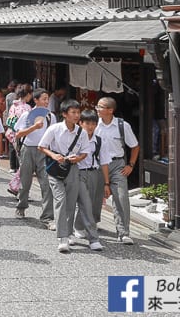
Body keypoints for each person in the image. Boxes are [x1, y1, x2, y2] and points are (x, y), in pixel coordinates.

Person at [38, 99, 93, 253]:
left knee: (70, 203)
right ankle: (63, 237)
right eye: (73, 112)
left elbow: (85, 151)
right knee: (60, 200)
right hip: (55, 168)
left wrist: (79, 158)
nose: (77, 115)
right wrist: (54, 155)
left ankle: (68, 234)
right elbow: (41, 146)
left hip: (73, 168)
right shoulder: (54, 129)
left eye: (78, 112)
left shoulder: (81, 132)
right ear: (64, 114)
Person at [95, 96, 140, 245]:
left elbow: (134, 146)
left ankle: (123, 232)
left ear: (110, 110)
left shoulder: (122, 125)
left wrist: (131, 165)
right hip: (97, 164)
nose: (97, 109)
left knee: (121, 197)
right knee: (93, 195)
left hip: (117, 164)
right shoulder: (93, 124)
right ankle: (89, 225)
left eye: (100, 107)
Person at [14, 88, 56, 229]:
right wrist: (34, 127)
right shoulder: (27, 115)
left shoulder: (51, 116)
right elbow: (18, 134)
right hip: (28, 149)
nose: (46, 101)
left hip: (44, 151)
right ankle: (21, 206)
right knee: (25, 181)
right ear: (36, 100)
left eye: (47, 98)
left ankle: (47, 217)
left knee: (46, 184)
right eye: (43, 98)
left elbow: (54, 135)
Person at [71, 109, 109, 251]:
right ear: (81, 123)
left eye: (94, 123)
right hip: (77, 172)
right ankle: (93, 238)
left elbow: (104, 161)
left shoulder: (99, 140)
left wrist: (106, 182)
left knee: (92, 203)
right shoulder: (74, 138)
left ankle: (79, 226)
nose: (90, 126)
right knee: (85, 202)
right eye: (87, 123)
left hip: (94, 173)